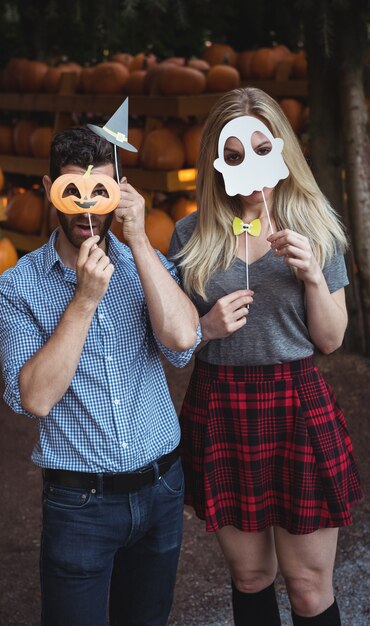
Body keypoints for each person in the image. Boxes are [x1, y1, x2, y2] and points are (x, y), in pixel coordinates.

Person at [0, 125, 201, 626]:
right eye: (72, 194)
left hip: (162, 486)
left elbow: (182, 340)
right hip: (79, 502)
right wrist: (83, 300)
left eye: (100, 193)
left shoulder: (143, 262)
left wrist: (141, 241)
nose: (86, 211)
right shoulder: (16, 287)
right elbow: (35, 398)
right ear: (47, 190)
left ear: (121, 190)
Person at [168, 87, 363, 626]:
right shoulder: (191, 235)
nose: (249, 165)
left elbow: (330, 340)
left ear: (281, 149)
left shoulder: (316, 224)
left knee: (307, 587)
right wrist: (205, 327)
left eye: (260, 148)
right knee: (251, 577)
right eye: (233, 155)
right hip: (222, 403)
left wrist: (314, 277)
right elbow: (172, 336)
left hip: (296, 402)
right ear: (216, 161)